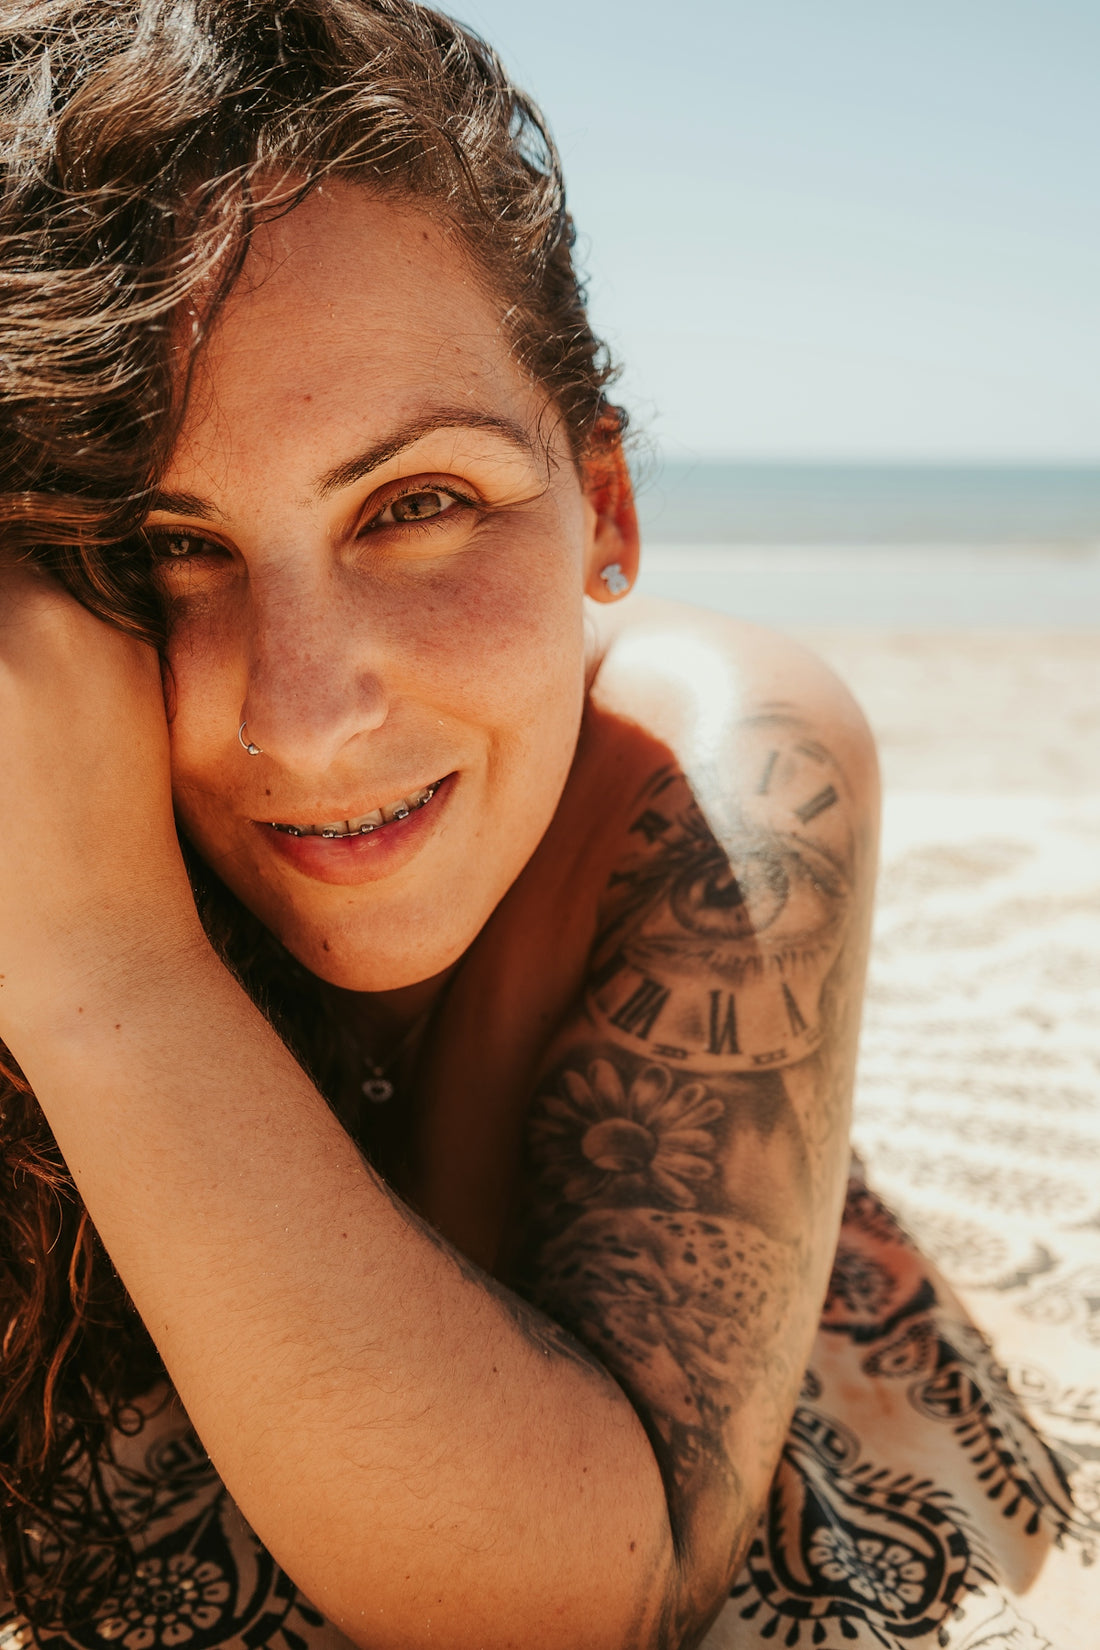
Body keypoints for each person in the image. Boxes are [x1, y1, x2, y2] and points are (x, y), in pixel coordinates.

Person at [0, 3, 879, 1647]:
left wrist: (105, 973)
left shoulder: (720, 758)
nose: (306, 712)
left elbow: (596, 1587)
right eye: (173, 545)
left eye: (418, 503)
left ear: (604, 505)